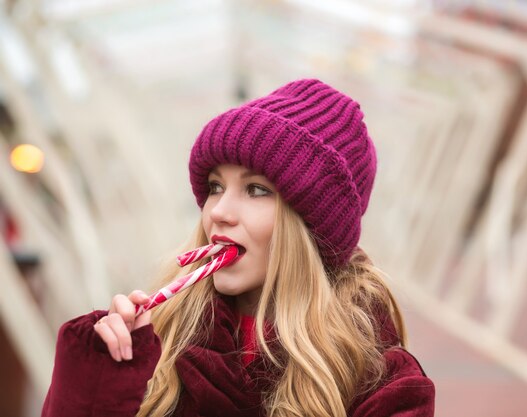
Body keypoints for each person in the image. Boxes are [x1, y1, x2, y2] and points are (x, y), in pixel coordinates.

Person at [42, 79, 435, 417]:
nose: (219, 212)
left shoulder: (380, 385)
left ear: (311, 227)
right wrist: (95, 388)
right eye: (215, 186)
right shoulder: (158, 345)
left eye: (257, 190)